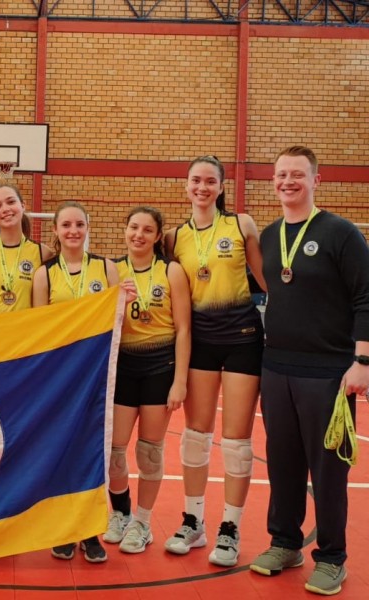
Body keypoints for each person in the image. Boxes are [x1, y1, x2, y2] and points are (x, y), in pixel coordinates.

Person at [249, 146, 369, 596]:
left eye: (297, 174)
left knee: (327, 469)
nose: (287, 182)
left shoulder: (341, 233)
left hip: (328, 373)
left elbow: (365, 299)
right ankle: (285, 542)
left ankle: (332, 557)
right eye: (281, 174)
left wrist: (362, 361)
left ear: (317, 180)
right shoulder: (269, 235)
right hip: (276, 368)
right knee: (282, 464)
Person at [163, 155, 266, 566]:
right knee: (195, 435)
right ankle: (194, 521)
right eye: (195, 181)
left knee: (238, 443)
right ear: (186, 185)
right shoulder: (173, 238)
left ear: (221, 187)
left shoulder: (241, 225)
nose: (202, 187)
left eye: (210, 181)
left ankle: (230, 528)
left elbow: (267, 281)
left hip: (243, 339)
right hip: (200, 343)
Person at [96, 206, 191, 557]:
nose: (139, 234)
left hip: (159, 365)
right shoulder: (111, 270)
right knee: (114, 453)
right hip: (122, 367)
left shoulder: (172, 271)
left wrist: (179, 380)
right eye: (133, 227)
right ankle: (119, 513)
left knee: (149, 452)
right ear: (125, 230)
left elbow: (183, 329)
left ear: (157, 236)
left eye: (147, 230)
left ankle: (143, 522)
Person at [32, 201, 121, 563]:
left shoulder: (106, 267)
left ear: (88, 227)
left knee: (94, 451)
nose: (73, 231)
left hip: (97, 374)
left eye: (79, 224)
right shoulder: (44, 274)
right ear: (55, 229)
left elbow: (117, 321)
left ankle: (91, 530)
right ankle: (65, 530)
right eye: (66, 225)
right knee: (61, 449)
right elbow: (38, 328)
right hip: (59, 376)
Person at [0, 182, 53, 314]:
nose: (5, 209)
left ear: (23, 205)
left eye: (11, 202)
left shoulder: (43, 253)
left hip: (23, 332)